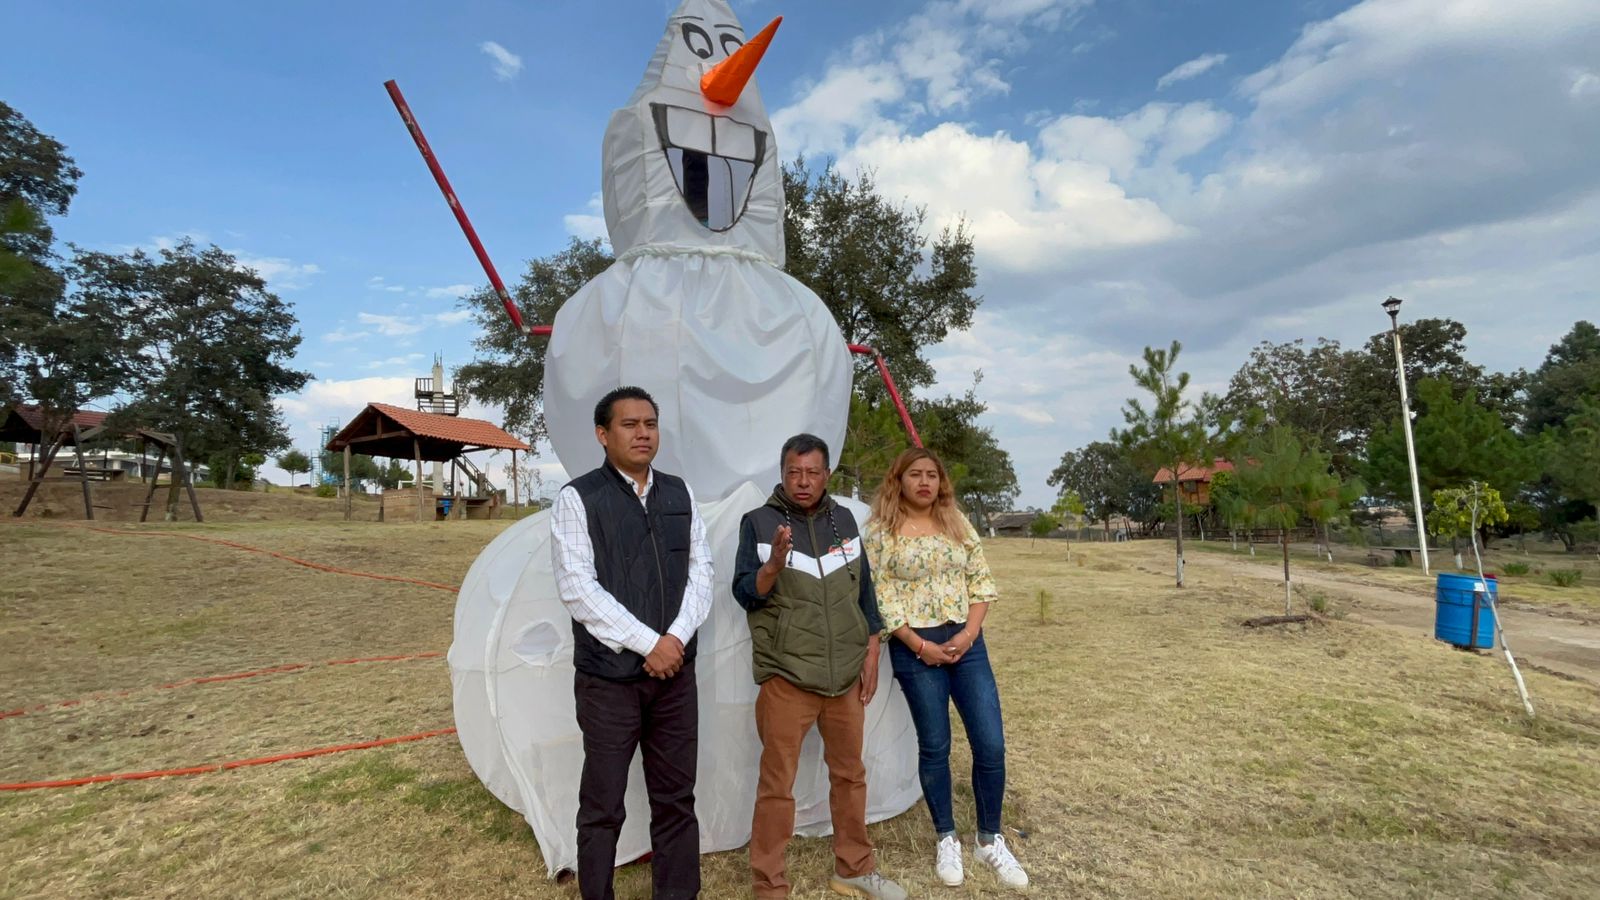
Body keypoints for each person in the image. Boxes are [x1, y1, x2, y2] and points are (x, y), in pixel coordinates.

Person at [551, 386, 713, 900]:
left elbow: (701, 573)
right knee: (603, 805)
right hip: (609, 683)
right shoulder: (579, 499)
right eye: (629, 424)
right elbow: (578, 588)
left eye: (650, 423)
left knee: (676, 798)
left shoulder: (679, 494)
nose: (643, 433)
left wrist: (675, 639)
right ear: (603, 435)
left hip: (674, 679)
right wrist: (649, 644)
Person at [732, 434, 907, 900]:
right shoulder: (759, 522)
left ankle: (853, 868)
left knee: (851, 777)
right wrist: (772, 564)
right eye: (794, 472)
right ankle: (769, 886)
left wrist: (871, 648)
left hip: (845, 677)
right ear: (782, 473)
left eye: (812, 472)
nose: (803, 481)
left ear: (827, 474)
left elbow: (864, 591)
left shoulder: (845, 519)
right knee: (777, 787)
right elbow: (745, 593)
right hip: (787, 677)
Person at [864, 448, 1029, 890]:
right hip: (915, 646)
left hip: (966, 643)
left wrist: (969, 634)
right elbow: (879, 596)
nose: (924, 482)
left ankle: (989, 839)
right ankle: (947, 836)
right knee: (936, 745)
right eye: (914, 474)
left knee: (990, 744)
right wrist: (921, 646)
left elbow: (980, 580)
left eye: (931, 475)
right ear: (898, 480)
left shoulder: (957, 521)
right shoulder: (881, 532)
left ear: (941, 482)